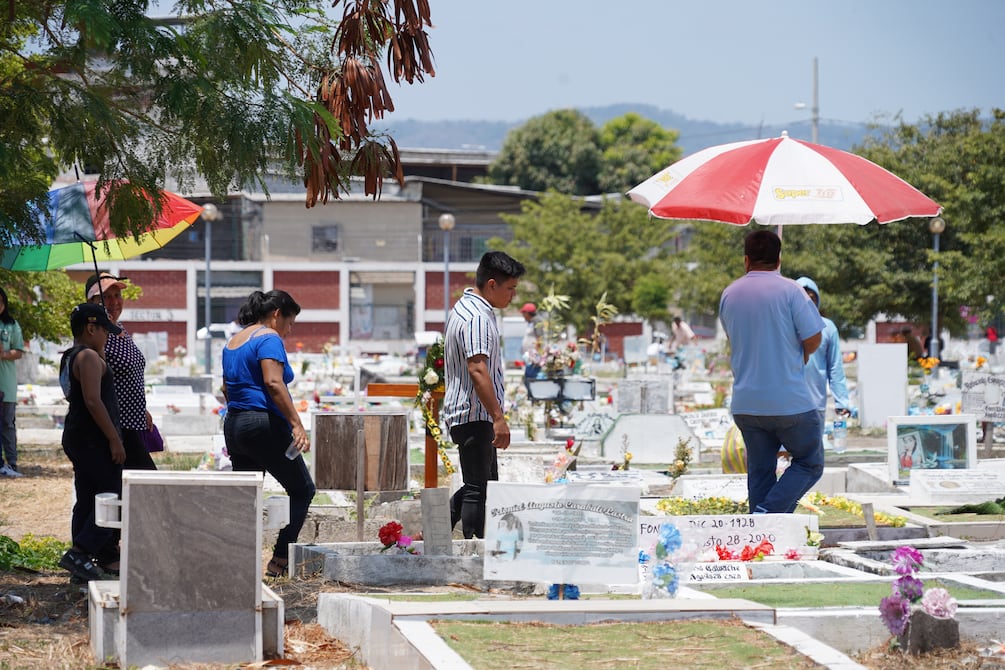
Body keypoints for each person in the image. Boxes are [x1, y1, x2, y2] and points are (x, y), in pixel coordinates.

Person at [718, 230, 825, 514]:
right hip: (789, 402)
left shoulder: (729, 294)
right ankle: (766, 515)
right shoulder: (792, 291)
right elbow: (814, 337)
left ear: (746, 260)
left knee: (761, 471)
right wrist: (800, 353)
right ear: (779, 258)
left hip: (746, 403)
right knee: (809, 462)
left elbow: (733, 337)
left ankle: (762, 535)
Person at [222, 290, 315, 578]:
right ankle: (280, 559)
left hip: (235, 424)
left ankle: (236, 563)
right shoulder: (268, 338)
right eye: (290, 323)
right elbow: (274, 383)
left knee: (247, 498)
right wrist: (296, 424)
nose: (289, 331)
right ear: (277, 313)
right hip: (263, 424)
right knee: (302, 490)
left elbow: (226, 389)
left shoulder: (233, 341)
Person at [443, 251, 525, 539]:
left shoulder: (465, 308)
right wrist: (498, 418)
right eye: (510, 288)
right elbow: (478, 369)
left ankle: (436, 531)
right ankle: (473, 551)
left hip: (469, 412)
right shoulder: (477, 317)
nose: (513, 296)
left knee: (480, 484)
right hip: (475, 413)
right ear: (492, 284)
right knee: (479, 489)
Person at [58, 304, 126, 582]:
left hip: (78, 434)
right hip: (92, 438)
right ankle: (81, 551)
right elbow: (92, 401)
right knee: (113, 496)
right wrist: (114, 439)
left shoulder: (70, 356)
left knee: (87, 498)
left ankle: (80, 563)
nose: (107, 337)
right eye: (104, 331)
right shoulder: (87, 357)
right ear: (91, 328)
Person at [85, 273, 156, 471]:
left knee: (130, 489)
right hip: (115, 425)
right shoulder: (95, 334)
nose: (114, 302)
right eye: (106, 297)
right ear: (92, 302)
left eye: (117, 295)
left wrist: (142, 409)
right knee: (146, 485)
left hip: (134, 423)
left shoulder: (119, 328)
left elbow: (126, 375)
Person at [794, 277, 851, 433]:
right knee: (784, 454)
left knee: (811, 453)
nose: (806, 303)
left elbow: (835, 367)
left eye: (811, 298)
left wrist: (842, 402)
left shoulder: (827, 328)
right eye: (801, 297)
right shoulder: (784, 325)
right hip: (786, 404)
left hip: (815, 403)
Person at [0, 288, 26, 478]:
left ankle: (12, 463)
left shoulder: (11, 325)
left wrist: (3, 354)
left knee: (8, 424)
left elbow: (18, 351)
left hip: (6, 386)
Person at [520, 302, 544, 386]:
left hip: (534, 358)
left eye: (523, 313)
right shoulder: (530, 323)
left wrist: (536, 356)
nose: (523, 315)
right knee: (528, 378)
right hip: (529, 357)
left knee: (531, 379)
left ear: (527, 313)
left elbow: (539, 339)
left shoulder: (537, 321)